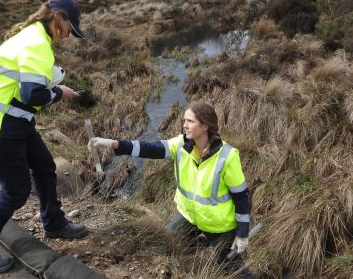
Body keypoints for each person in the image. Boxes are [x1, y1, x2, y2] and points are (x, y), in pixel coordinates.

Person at [0, 0, 88, 274]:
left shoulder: (33, 36)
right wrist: (59, 92)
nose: (69, 36)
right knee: (16, 190)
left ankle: (54, 222)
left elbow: (23, 90)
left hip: (13, 122)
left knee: (44, 166)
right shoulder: (36, 44)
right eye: (70, 29)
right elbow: (33, 93)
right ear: (59, 18)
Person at [89, 101, 253, 277]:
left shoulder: (227, 156)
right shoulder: (181, 144)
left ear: (205, 125)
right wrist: (113, 143)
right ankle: (201, 242)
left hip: (218, 225)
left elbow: (241, 197)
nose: (184, 125)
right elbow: (150, 149)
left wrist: (242, 234)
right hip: (189, 216)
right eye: (184, 120)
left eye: (190, 121)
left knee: (231, 268)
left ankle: (209, 241)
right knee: (166, 241)